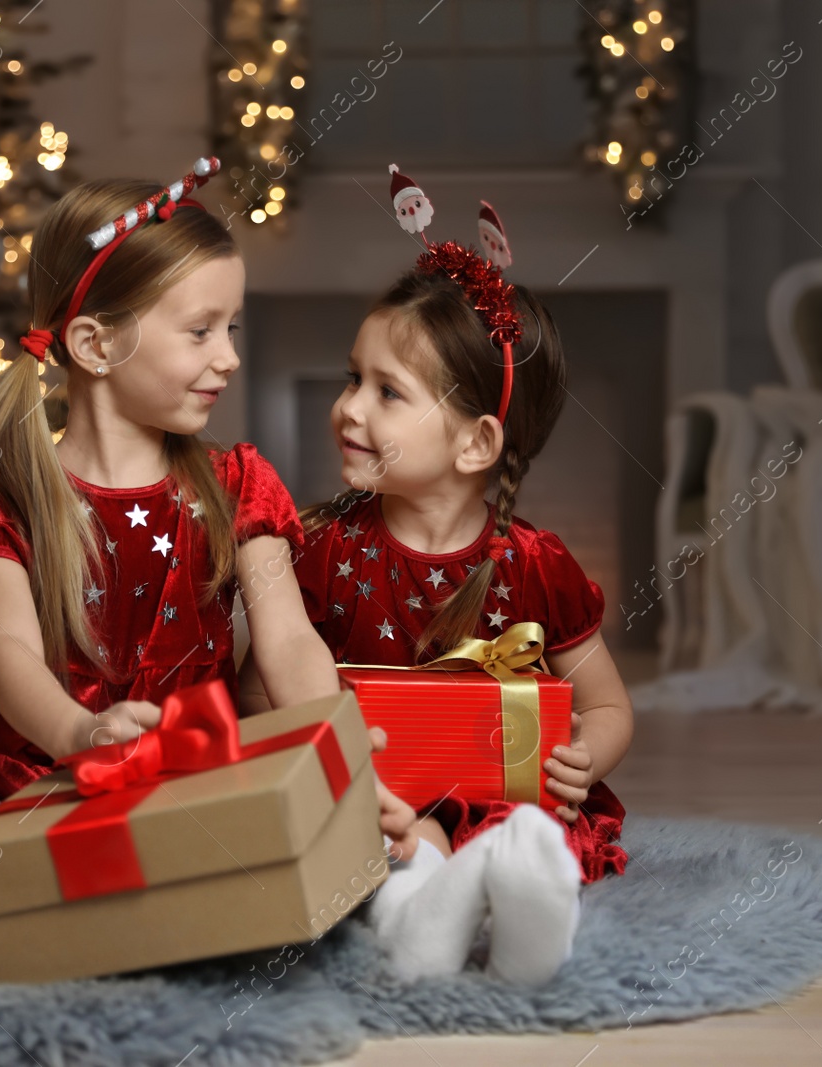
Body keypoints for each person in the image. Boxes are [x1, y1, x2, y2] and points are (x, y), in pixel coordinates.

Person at [0, 160, 419, 889]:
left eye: (231, 328)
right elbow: (6, 651)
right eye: (199, 332)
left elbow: (287, 639)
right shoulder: (8, 497)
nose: (227, 357)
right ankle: (30, 873)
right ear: (96, 345)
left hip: (193, 780)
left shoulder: (237, 483)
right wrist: (78, 734)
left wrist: (335, 748)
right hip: (46, 783)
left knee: (322, 817)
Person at [244, 166, 634, 986]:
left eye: (388, 392)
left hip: (493, 797)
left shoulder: (534, 563)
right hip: (363, 791)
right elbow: (256, 693)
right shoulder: (323, 548)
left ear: (475, 444)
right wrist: (329, 765)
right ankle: (429, 911)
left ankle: (518, 919)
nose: (349, 407)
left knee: (534, 829)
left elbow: (604, 700)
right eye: (354, 378)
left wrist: (586, 756)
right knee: (339, 835)